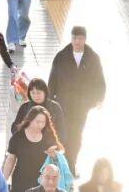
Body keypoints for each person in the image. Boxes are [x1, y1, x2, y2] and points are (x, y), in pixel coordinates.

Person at [47, 26, 106, 175]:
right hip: (63, 104)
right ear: (71, 38)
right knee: (62, 135)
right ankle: (61, 165)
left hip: (81, 106)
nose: (77, 41)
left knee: (77, 136)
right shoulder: (61, 56)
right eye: (74, 38)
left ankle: (71, 164)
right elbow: (53, 79)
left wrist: (99, 98)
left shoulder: (93, 58)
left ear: (85, 39)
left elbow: (99, 79)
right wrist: (49, 100)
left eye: (80, 38)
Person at [3, 106, 64, 192]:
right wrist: (3, 181)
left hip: (41, 182)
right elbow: (10, 160)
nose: (40, 125)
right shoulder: (17, 137)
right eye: (38, 122)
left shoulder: (48, 136)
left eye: (43, 122)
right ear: (30, 120)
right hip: (21, 181)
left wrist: (54, 155)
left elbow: (59, 159)